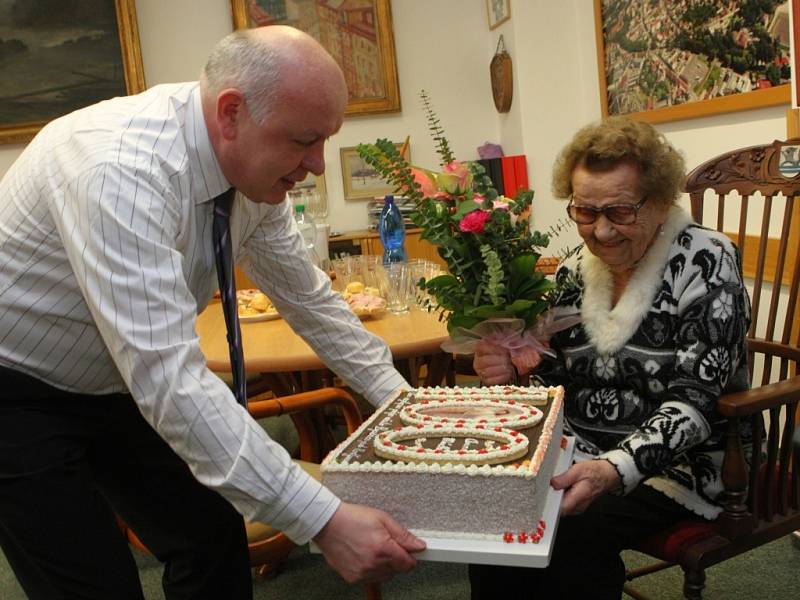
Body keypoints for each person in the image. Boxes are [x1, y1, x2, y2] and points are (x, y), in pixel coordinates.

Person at [0, 26, 425, 600]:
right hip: (17, 390)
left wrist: (410, 409)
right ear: (231, 113)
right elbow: (170, 379)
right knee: (95, 583)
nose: (319, 165)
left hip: (117, 383)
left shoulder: (253, 175)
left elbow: (312, 303)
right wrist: (325, 520)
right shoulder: (118, 169)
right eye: (305, 141)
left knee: (210, 532)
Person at [469, 117, 751, 599]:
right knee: (496, 516)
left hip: (677, 465)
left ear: (660, 201)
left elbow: (696, 402)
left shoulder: (706, 260)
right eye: (584, 211)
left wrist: (613, 469)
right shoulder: (573, 271)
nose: (600, 232)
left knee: (573, 534)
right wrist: (513, 369)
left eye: (620, 212)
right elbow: (556, 375)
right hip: (577, 446)